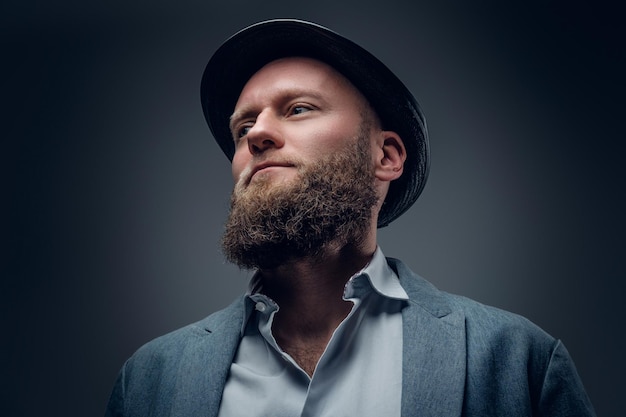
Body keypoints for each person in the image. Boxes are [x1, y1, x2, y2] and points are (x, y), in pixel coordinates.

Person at [105, 19, 595, 416]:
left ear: (386, 156)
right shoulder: (151, 378)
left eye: (297, 109)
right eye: (243, 127)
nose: (257, 135)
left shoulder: (519, 360)